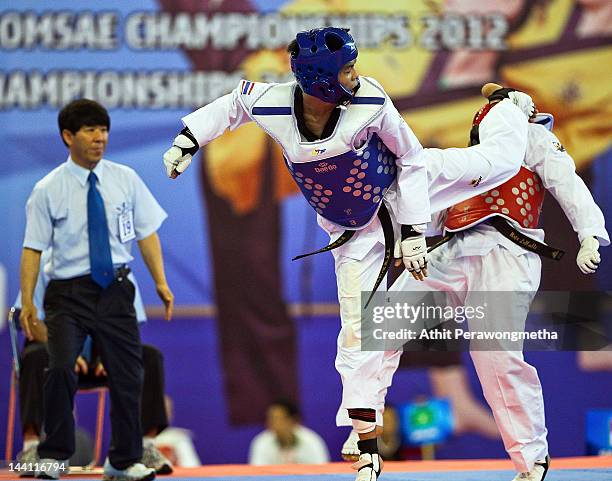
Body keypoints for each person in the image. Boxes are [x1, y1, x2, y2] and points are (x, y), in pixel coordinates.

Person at [163, 26, 534, 480]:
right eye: (347, 69)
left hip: (408, 188)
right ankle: (366, 439)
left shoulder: (371, 101)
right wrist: (189, 138)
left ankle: (509, 109)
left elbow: (413, 160)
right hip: (355, 232)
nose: (356, 75)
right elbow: (233, 104)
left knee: (499, 163)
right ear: (320, 80)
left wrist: (415, 231)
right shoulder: (274, 104)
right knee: (358, 332)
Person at [360, 87, 608, 481]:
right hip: (452, 249)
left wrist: (590, 234)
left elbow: (568, 183)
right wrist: (409, 242)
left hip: (506, 253)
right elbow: (436, 203)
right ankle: (363, 427)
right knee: (382, 322)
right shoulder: (472, 154)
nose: (487, 114)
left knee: (495, 355)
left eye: (496, 107)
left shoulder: (534, 136)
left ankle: (531, 459)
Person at [19, 99, 174, 481]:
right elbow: (33, 248)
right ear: (67, 136)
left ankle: (122, 461)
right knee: (58, 369)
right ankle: (54, 455)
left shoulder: (125, 178)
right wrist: (28, 302)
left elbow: (146, 233)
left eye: (103, 130)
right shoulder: (47, 189)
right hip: (67, 294)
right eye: (89, 130)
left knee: (129, 372)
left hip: (116, 289)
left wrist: (160, 281)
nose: (99, 138)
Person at [13, 250, 173, 476]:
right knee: (34, 357)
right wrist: (61, 349)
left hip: (103, 356)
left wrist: (112, 355)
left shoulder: (117, 268)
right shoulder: (46, 265)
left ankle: (145, 445)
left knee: (149, 357)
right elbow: (30, 319)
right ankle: (32, 448)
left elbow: (129, 324)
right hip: (56, 351)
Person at [248, 400, 330, 465]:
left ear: (293, 420)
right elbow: (257, 474)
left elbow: (322, 472)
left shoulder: (311, 441)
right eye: (270, 418)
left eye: (277, 419)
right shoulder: (261, 442)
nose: (271, 423)